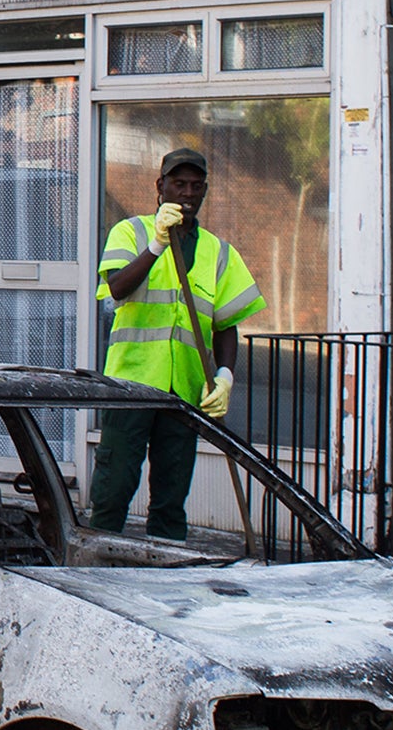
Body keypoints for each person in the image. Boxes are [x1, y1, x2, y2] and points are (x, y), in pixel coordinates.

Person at [91, 147, 267, 540]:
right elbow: (117, 289)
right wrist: (155, 245)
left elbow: (226, 325)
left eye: (195, 186)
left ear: (204, 191)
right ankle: (94, 569)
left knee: (171, 498)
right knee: (114, 487)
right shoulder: (130, 232)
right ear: (160, 186)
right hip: (131, 384)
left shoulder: (218, 253)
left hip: (183, 391)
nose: (187, 192)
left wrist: (224, 377)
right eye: (178, 184)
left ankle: (166, 575)